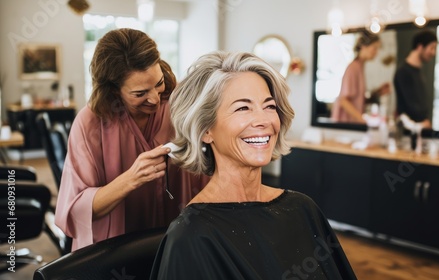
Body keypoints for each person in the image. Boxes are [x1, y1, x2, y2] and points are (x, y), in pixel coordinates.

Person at [150, 51, 357, 279]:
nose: (264, 121)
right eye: (243, 108)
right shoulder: (191, 235)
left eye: (269, 106)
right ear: (205, 129)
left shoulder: (303, 209)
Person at [54, 28, 209, 251]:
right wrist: (131, 179)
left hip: (175, 240)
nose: (155, 98)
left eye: (158, 83)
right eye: (140, 93)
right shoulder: (90, 124)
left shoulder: (178, 106)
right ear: (114, 91)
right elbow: (75, 209)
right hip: (116, 250)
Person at [331, 31, 391, 123]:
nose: (376, 52)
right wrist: (363, 121)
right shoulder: (353, 68)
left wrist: (378, 93)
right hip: (346, 124)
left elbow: (357, 100)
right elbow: (343, 101)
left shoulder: (360, 67)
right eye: (374, 48)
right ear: (364, 46)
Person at [393, 29, 437, 129]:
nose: (433, 53)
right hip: (408, 131)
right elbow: (411, 107)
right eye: (432, 48)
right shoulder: (403, 72)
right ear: (420, 47)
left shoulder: (418, 71)